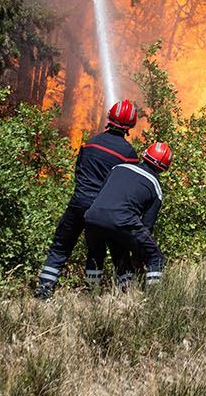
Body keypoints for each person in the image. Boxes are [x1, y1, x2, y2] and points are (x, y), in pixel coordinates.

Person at [34, 99, 140, 299]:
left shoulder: (89, 144)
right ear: (130, 125)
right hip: (104, 209)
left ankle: (44, 290)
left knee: (60, 247)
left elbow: (78, 172)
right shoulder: (128, 154)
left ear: (109, 118)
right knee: (112, 249)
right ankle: (115, 294)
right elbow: (128, 187)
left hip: (78, 203)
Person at [84, 141, 171, 289]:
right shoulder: (155, 186)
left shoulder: (118, 168)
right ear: (164, 168)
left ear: (144, 155)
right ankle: (154, 299)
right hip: (122, 220)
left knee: (97, 255)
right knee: (155, 258)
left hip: (92, 217)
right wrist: (138, 255)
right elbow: (147, 226)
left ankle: (93, 293)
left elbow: (102, 194)